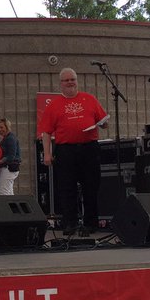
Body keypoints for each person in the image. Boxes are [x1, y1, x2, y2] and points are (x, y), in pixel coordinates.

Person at [39, 69, 108, 237]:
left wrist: (103, 124)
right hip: (66, 150)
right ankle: (69, 223)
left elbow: (103, 122)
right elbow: (46, 132)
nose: (70, 82)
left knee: (91, 188)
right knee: (66, 188)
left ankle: (90, 223)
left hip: (89, 148)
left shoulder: (90, 99)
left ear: (77, 81)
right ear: (60, 83)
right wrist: (47, 154)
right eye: (66, 80)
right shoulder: (54, 105)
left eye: (73, 79)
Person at [0, 117, 21, 195]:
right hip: (8, 168)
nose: (0, 130)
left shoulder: (10, 138)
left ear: (7, 127)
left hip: (9, 168)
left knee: (4, 192)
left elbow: (11, 156)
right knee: (9, 191)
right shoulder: (7, 138)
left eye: (1, 127)